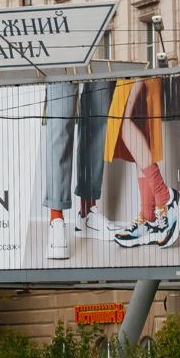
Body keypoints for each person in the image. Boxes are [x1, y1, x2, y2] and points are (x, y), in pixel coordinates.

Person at [106, 78, 180, 248]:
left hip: (141, 65)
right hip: (128, 66)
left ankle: (164, 196)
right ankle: (148, 214)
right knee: (139, 127)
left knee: (123, 119)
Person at [43, 80, 121, 260]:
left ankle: (88, 214)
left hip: (96, 53)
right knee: (60, 122)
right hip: (61, 52)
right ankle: (56, 219)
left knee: (98, 119)